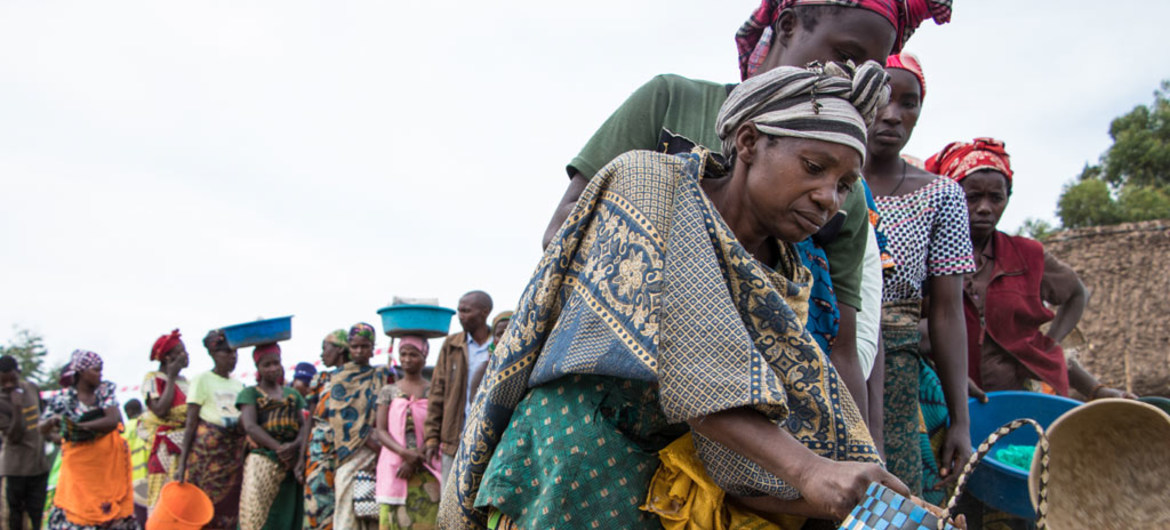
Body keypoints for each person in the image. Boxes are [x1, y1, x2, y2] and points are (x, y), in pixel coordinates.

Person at [442, 62, 912, 529]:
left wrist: (850, 492)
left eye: (844, 185)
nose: (829, 197)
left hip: (669, 492)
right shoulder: (647, 186)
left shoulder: (786, 278)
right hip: (572, 465)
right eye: (814, 168)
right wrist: (808, 469)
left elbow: (761, 444)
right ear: (748, 142)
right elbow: (688, 368)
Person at [540, 0, 951, 432]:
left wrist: (862, 456)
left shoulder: (844, 195)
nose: (850, 79)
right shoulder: (672, 105)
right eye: (846, 56)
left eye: (869, 71)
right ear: (787, 26)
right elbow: (563, 231)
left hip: (758, 423)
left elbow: (842, 348)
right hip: (602, 401)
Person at [928, 138, 1137, 401]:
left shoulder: (1026, 256)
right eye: (972, 197)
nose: (984, 208)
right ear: (951, 197)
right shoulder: (929, 256)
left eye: (995, 198)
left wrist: (1053, 345)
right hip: (943, 400)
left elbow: (1076, 295)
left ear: (1008, 198)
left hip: (1016, 400)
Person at [863, 52, 974, 503]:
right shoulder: (828, 180)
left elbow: (947, 312)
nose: (893, 114)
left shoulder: (941, 195)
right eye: (882, 99)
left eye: (909, 103)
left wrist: (961, 423)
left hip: (896, 378)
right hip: (824, 352)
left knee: (895, 494)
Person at [38, 350, 136, 529]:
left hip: (108, 467)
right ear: (81, 373)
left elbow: (112, 420)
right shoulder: (64, 399)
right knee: (78, 512)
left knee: (115, 514)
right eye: (96, 370)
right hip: (80, 471)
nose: (100, 374)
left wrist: (79, 428)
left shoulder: (105, 391)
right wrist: (57, 427)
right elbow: (43, 428)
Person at [321, 323, 393, 530]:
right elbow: (340, 418)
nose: (359, 351)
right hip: (353, 452)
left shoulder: (381, 375)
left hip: (380, 450)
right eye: (355, 347)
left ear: (372, 348)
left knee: (372, 509)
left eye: (365, 346)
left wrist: (382, 448)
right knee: (345, 508)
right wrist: (372, 444)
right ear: (349, 348)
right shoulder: (340, 377)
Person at [174, 330, 246, 530]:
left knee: (230, 508)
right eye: (227, 353)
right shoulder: (202, 380)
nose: (232, 357)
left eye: (235, 353)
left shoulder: (239, 385)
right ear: (214, 355)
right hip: (207, 459)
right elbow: (191, 424)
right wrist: (182, 465)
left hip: (232, 456)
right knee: (205, 507)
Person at [423, 290, 492, 483]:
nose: (460, 315)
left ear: (484, 312)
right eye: (459, 310)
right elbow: (437, 392)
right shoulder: (452, 345)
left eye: (466, 311)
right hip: (454, 439)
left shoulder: (500, 343)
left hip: (489, 437)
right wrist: (431, 438)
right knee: (449, 500)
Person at [238, 343, 308, 530]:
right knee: (256, 516)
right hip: (263, 460)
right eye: (266, 365)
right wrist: (279, 448)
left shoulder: (292, 394)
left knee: (287, 515)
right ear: (258, 368)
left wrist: (293, 446)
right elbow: (251, 426)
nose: (273, 369)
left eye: (276, 363)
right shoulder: (250, 393)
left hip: (291, 462)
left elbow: (304, 425)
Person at [375, 335, 441, 529]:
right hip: (395, 467)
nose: (407, 359)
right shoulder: (388, 391)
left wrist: (417, 457)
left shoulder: (433, 391)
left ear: (424, 357)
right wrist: (405, 454)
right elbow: (381, 431)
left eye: (413, 354)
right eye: (403, 354)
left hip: (427, 465)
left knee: (427, 519)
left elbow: (439, 426)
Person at [300, 329, 350, 530]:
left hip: (346, 451)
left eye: (325, 348)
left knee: (345, 510)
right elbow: (310, 421)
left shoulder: (356, 378)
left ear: (339, 350)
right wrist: (302, 457)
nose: (322, 354)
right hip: (318, 454)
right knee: (317, 507)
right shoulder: (321, 379)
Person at [140, 328, 190, 514]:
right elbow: (161, 410)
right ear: (168, 358)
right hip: (165, 451)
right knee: (164, 499)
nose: (186, 355)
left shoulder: (187, 382)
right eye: (180, 352)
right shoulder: (154, 380)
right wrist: (170, 377)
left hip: (186, 448)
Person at [0, 355, 50, 530]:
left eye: (12, 380)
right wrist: (16, 406)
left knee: (37, 516)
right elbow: (13, 436)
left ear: (18, 373)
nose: (8, 386)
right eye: (3, 382)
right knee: (14, 518)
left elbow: (44, 419)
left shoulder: (31, 388)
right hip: (15, 469)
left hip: (38, 466)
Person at [467, 311, 513, 403]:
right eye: (500, 334)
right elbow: (475, 405)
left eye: (511, 331)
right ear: (494, 339)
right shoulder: (484, 369)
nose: (505, 337)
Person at [120, 398, 149, 527]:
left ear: (129, 412)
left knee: (140, 519)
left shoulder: (124, 429)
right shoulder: (148, 422)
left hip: (132, 479)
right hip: (152, 475)